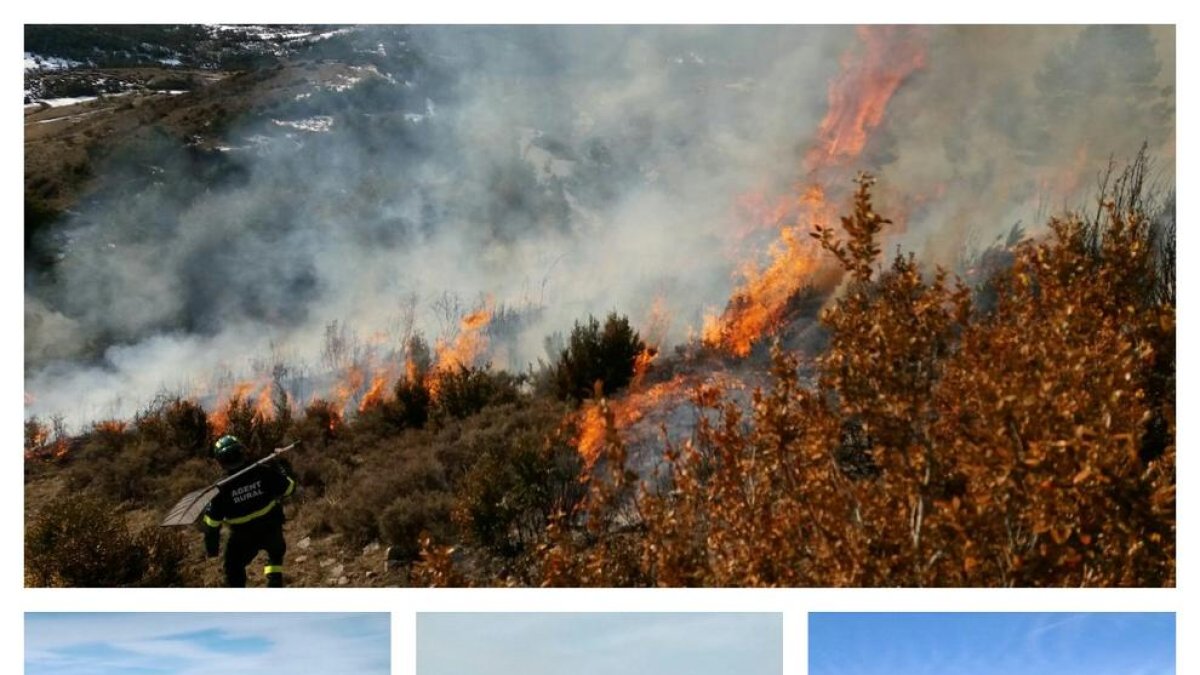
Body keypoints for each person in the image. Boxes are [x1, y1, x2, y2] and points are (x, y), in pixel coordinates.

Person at [203, 435, 296, 587]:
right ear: (242, 452)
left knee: (233, 568)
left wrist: (212, 550)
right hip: (271, 529)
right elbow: (290, 488)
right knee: (275, 553)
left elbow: (211, 524)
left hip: (242, 538)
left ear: (221, 461)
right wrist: (281, 464)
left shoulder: (219, 490)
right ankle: (274, 581)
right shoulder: (263, 471)